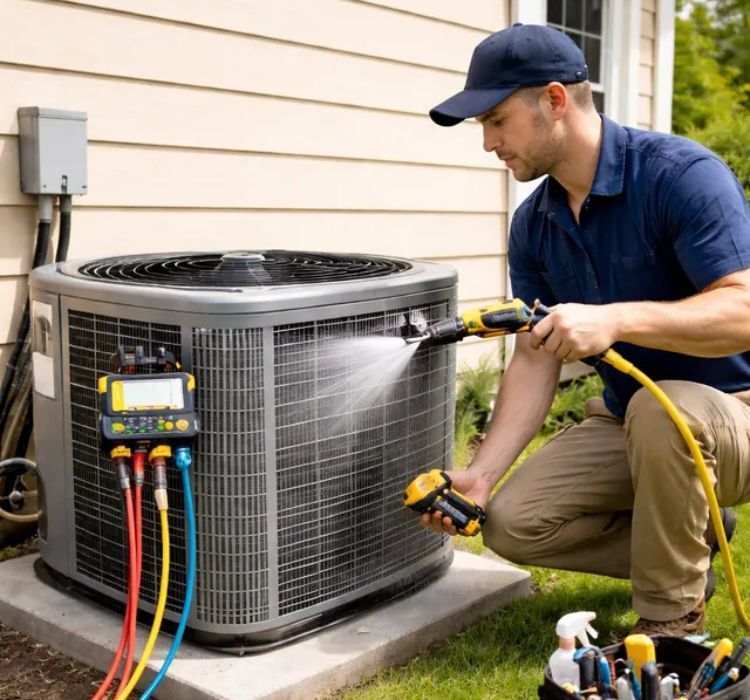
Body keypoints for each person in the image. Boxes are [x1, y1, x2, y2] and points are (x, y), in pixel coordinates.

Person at [425, 23, 750, 636]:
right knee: (514, 522)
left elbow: (744, 313)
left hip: (738, 414)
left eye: (497, 120)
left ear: (553, 100)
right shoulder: (534, 223)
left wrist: (617, 319)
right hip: (631, 418)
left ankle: (668, 631)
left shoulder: (681, 177)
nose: (489, 144)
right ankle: (692, 544)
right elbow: (534, 355)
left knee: (665, 411)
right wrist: (483, 476)